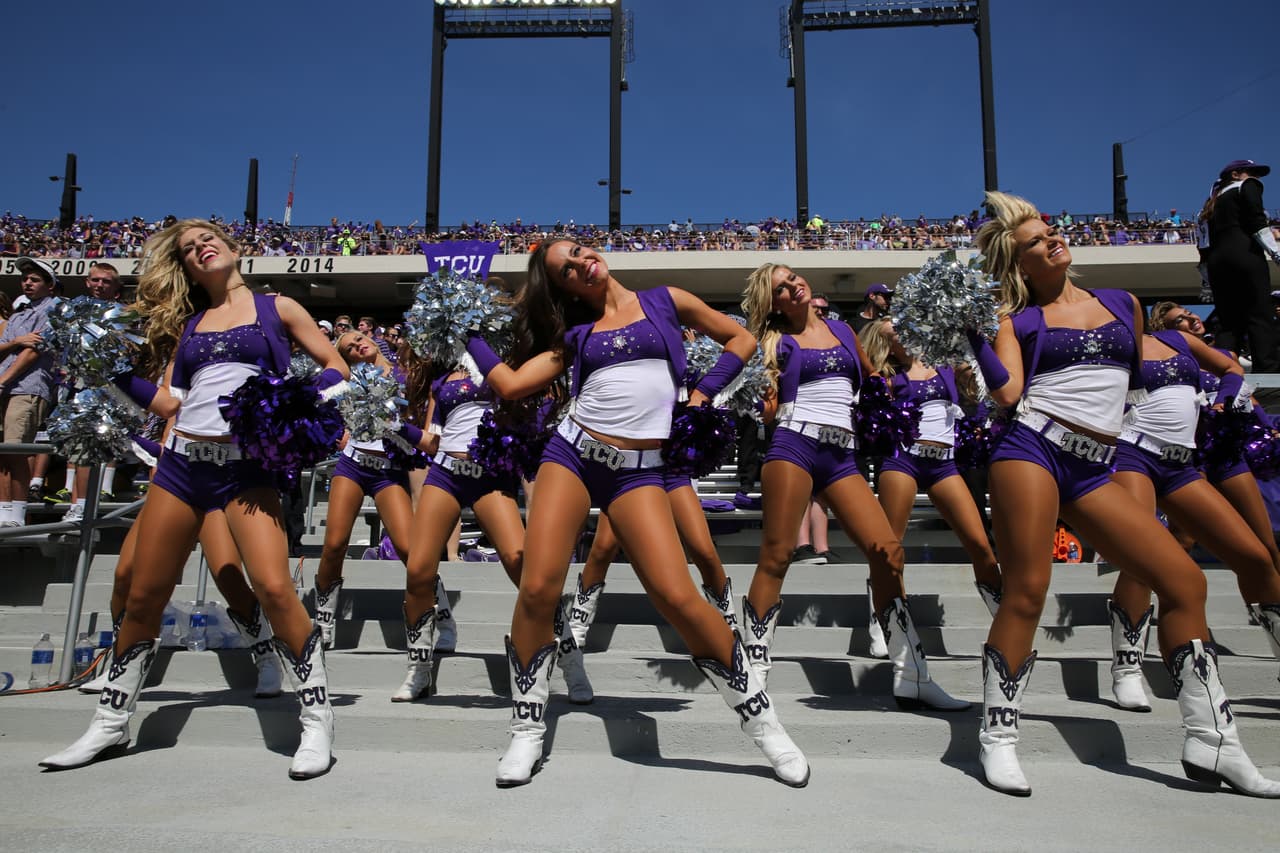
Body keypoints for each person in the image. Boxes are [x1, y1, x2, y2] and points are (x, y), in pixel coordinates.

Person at [967, 190, 1277, 797]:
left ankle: (1214, 741)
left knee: (1186, 581)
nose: (1051, 239)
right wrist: (974, 336)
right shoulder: (1015, 319)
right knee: (1029, 588)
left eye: (1050, 229)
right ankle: (998, 735)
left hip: (1096, 466)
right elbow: (1006, 397)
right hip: (1031, 449)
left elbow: (1129, 394)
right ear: (1018, 262)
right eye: (1033, 241)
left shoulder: (1122, 304)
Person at [469, 238, 809, 788]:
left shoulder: (665, 300)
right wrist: (465, 331)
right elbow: (508, 385)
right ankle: (527, 727)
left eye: (579, 252)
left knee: (678, 597)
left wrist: (703, 394)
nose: (580, 263)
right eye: (566, 270)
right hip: (573, 456)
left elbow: (740, 338)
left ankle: (762, 720)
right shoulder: (574, 335)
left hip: (639, 470)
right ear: (565, 288)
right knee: (537, 588)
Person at [40, 219, 348, 780]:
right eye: (187, 248)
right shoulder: (192, 326)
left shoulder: (278, 308)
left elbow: (337, 369)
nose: (199, 247)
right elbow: (169, 404)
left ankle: (316, 718)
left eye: (207, 239)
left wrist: (291, 400)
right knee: (144, 593)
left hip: (246, 468)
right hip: (182, 467)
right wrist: (108, 372)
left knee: (276, 588)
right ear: (184, 266)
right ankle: (111, 722)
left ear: (234, 250)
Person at [741, 262, 968, 713]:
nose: (794, 286)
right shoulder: (774, 341)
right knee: (777, 554)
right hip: (794, 444)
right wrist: (757, 388)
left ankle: (912, 675)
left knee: (888, 551)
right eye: (782, 288)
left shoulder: (844, 329)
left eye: (793, 278)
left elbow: (872, 379)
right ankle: (753, 663)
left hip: (842, 454)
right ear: (774, 303)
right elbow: (766, 411)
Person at [1103, 313, 1280, 711]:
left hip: (1182, 464)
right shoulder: (1108, 349)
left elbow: (1230, 367)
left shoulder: (1178, 342)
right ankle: (1127, 665)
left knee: (1256, 557)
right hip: (1132, 452)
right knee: (1140, 558)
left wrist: (1223, 398)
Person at [309, 331, 449, 667]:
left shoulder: (406, 373)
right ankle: (325, 615)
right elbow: (319, 409)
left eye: (358, 338)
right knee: (335, 542)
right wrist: (338, 434)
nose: (357, 344)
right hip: (353, 465)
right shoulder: (347, 379)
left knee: (409, 548)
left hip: (390, 469)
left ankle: (440, 611)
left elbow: (427, 403)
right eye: (349, 348)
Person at [858, 317, 1003, 613]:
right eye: (895, 331)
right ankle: (884, 613)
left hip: (944, 466)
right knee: (891, 549)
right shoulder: (888, 378)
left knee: (980, 546)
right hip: (904, 462)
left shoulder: (947, 365)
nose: (905, 330)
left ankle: (1003, 612)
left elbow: (983, 361)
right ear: (888, 345)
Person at [1205, 159, 1280, 372]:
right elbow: (1256, 219)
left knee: (1228, 321)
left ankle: (1223, 370)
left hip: (1217, 261)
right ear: (1236, 174)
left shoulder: (1211, 199)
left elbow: (1203, 239)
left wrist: (1205, 271)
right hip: (1244, 253)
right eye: (1251, 172)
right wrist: (1275, 252)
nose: (1256, 178)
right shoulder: (1247, 186)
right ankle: (1268, 369)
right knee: (1260, 313)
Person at [0, 257, 59, 527]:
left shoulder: (53, 308)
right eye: (25, 279)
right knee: (3, 453)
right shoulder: (18, 315)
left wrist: (3, 380)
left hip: (27, 388)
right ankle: (4, 510)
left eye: (35, 280)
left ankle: (17, 514)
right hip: (6, 388)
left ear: (49, 286)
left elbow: (33, 351)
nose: (27, 283)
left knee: (15, 450)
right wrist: (15, 341)